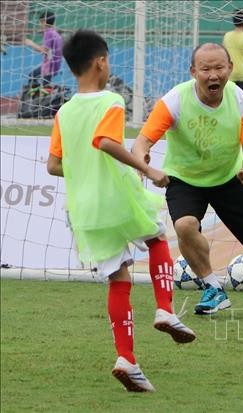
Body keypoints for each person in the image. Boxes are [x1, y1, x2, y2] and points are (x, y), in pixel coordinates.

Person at [46, 30, 196, 392]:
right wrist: (148, 170)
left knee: (119, 279)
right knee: (157, 238)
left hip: (84, 208)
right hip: (115, 194)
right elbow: (107, 142)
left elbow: (53, 165)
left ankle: (127, 359)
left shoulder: (64, 111)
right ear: (100, 62)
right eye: (109, 59)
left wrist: (84, 164)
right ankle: (164, 308)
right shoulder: (111, 100)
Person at [132, 43, 243, 319]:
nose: (213, 75)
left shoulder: (240, 102)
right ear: (193, 72)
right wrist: (143, 161)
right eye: (206, 69)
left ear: (230, 69)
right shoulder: (175, 100)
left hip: (230, 177)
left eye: (219, 68)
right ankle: (213, 288)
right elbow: (142, 142)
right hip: (185, 179)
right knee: (184, 226)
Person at [24, 10, 63, 87]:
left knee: (32, 76)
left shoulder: (48, 33)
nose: (39, 24)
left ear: (44, 21)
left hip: (49, 66)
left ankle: (35, 97)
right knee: (43, 83)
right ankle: (40, 94)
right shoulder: (54, 32)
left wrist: (31, 43)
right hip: (55, 64)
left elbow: (44, 51)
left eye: (40, 22)